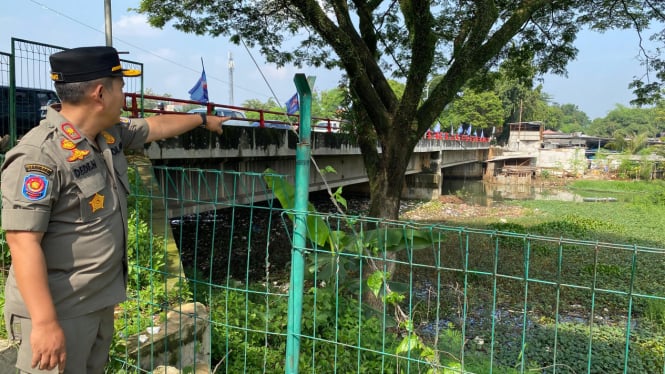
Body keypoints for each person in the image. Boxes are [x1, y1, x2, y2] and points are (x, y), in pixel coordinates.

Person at [0, 46, 230, 374]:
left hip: (98, 302)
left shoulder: (107, 136)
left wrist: (203, 119)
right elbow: (23, 242)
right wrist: (46, 323)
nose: (125, 95)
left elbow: (155, 127)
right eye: (121, 86)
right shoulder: (39, 156)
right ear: (100, 93)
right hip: (59, 311)